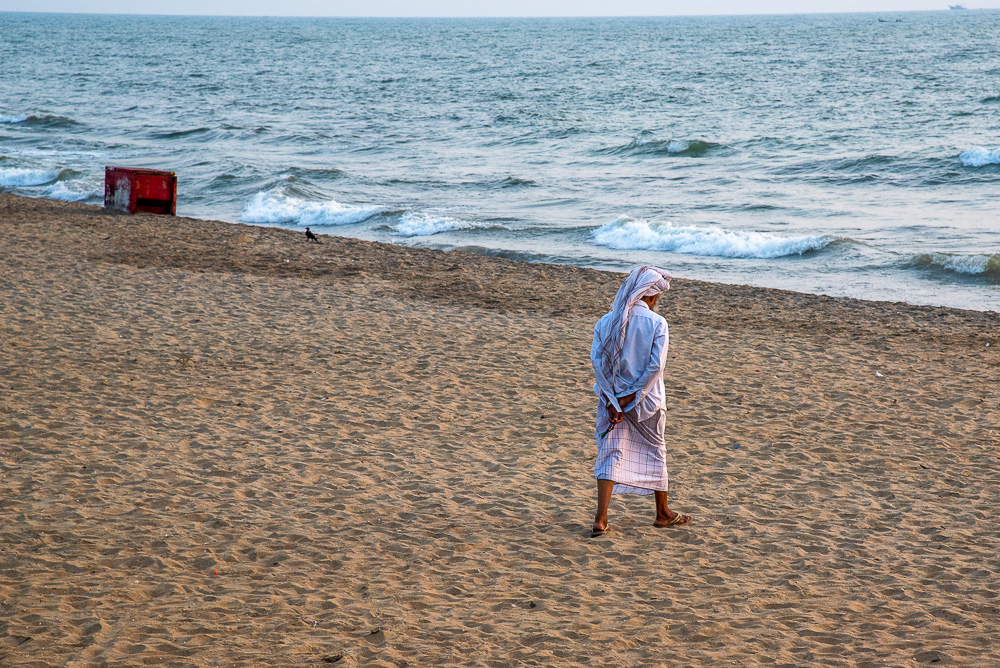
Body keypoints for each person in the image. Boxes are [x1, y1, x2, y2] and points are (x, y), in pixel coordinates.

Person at [589, 265, 691, 535]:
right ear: (652, 297)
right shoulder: (657, 323)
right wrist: (631, 397)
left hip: (612, 402)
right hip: (646, 403)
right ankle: (662, 513)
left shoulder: (605, 321)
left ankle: (601, 518)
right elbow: (655, 367)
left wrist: (613, 399)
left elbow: (598, 365)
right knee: (656, 450)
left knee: (611, 452)